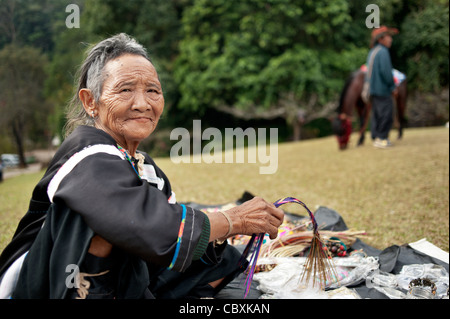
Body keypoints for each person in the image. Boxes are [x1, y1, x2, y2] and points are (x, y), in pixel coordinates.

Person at [0, 33, 284, 299]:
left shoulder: (146, 168)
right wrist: (233, 220)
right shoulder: (86, 156)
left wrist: (221, 234)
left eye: (152, 90)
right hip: (48, 284)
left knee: (214, 260)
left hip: (125, 278)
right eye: (125, 90)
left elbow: (168, 238)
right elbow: (147, 225)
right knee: (113, 221)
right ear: (90, 102)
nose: (143, 103)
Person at [366, 26, 398, 149]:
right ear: (381, 39)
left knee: (377, 114)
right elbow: (386, 72)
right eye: (388, 37)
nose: (390, 40)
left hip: (373, 89)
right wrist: (392, 86)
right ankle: (382, 138)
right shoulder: (383, 52)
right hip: (382, 89)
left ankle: (376, 137)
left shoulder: (373, 51)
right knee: (386, 113)